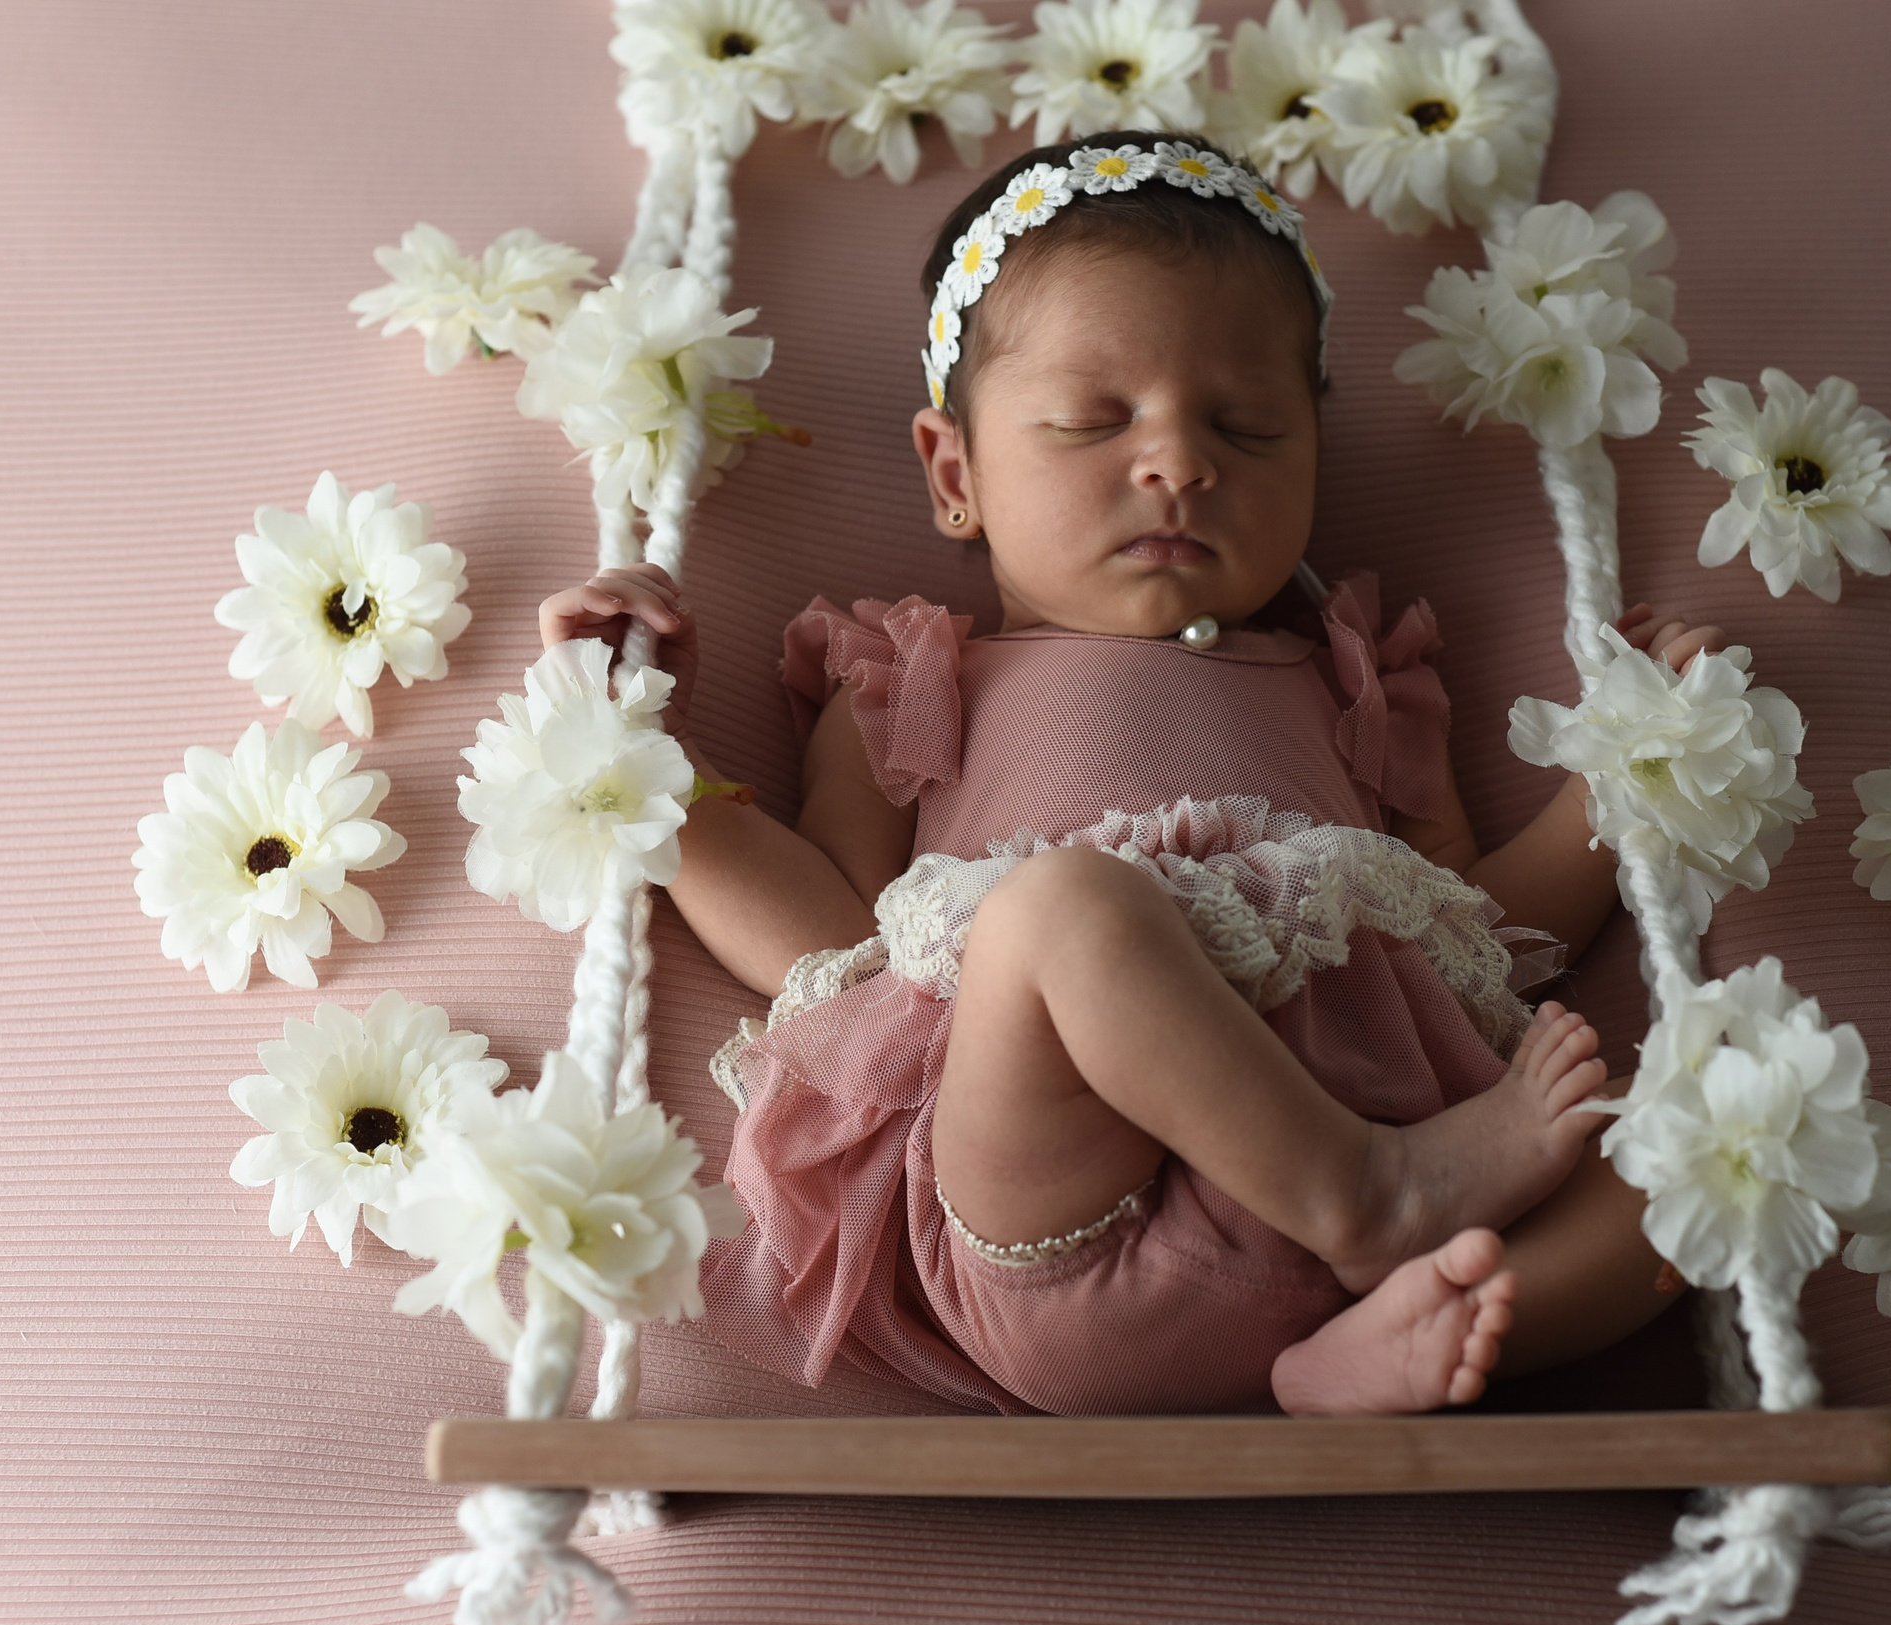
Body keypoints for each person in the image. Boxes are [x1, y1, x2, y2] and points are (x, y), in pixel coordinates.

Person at [539, 131, 1721, 1417]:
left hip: (1382, 1241)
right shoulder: (917, 674)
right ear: (956, 474)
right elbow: (826, 940)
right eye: (1092, 421)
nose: (1178, 461)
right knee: (1064, 909)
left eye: (1248, 425)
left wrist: (1629, 770)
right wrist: (645, 749)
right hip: (1057, 1223)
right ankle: (1362, 1193)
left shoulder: (1357, 679)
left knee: (1709, 1151)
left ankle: (1371, 1354)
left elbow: (1485, 937)